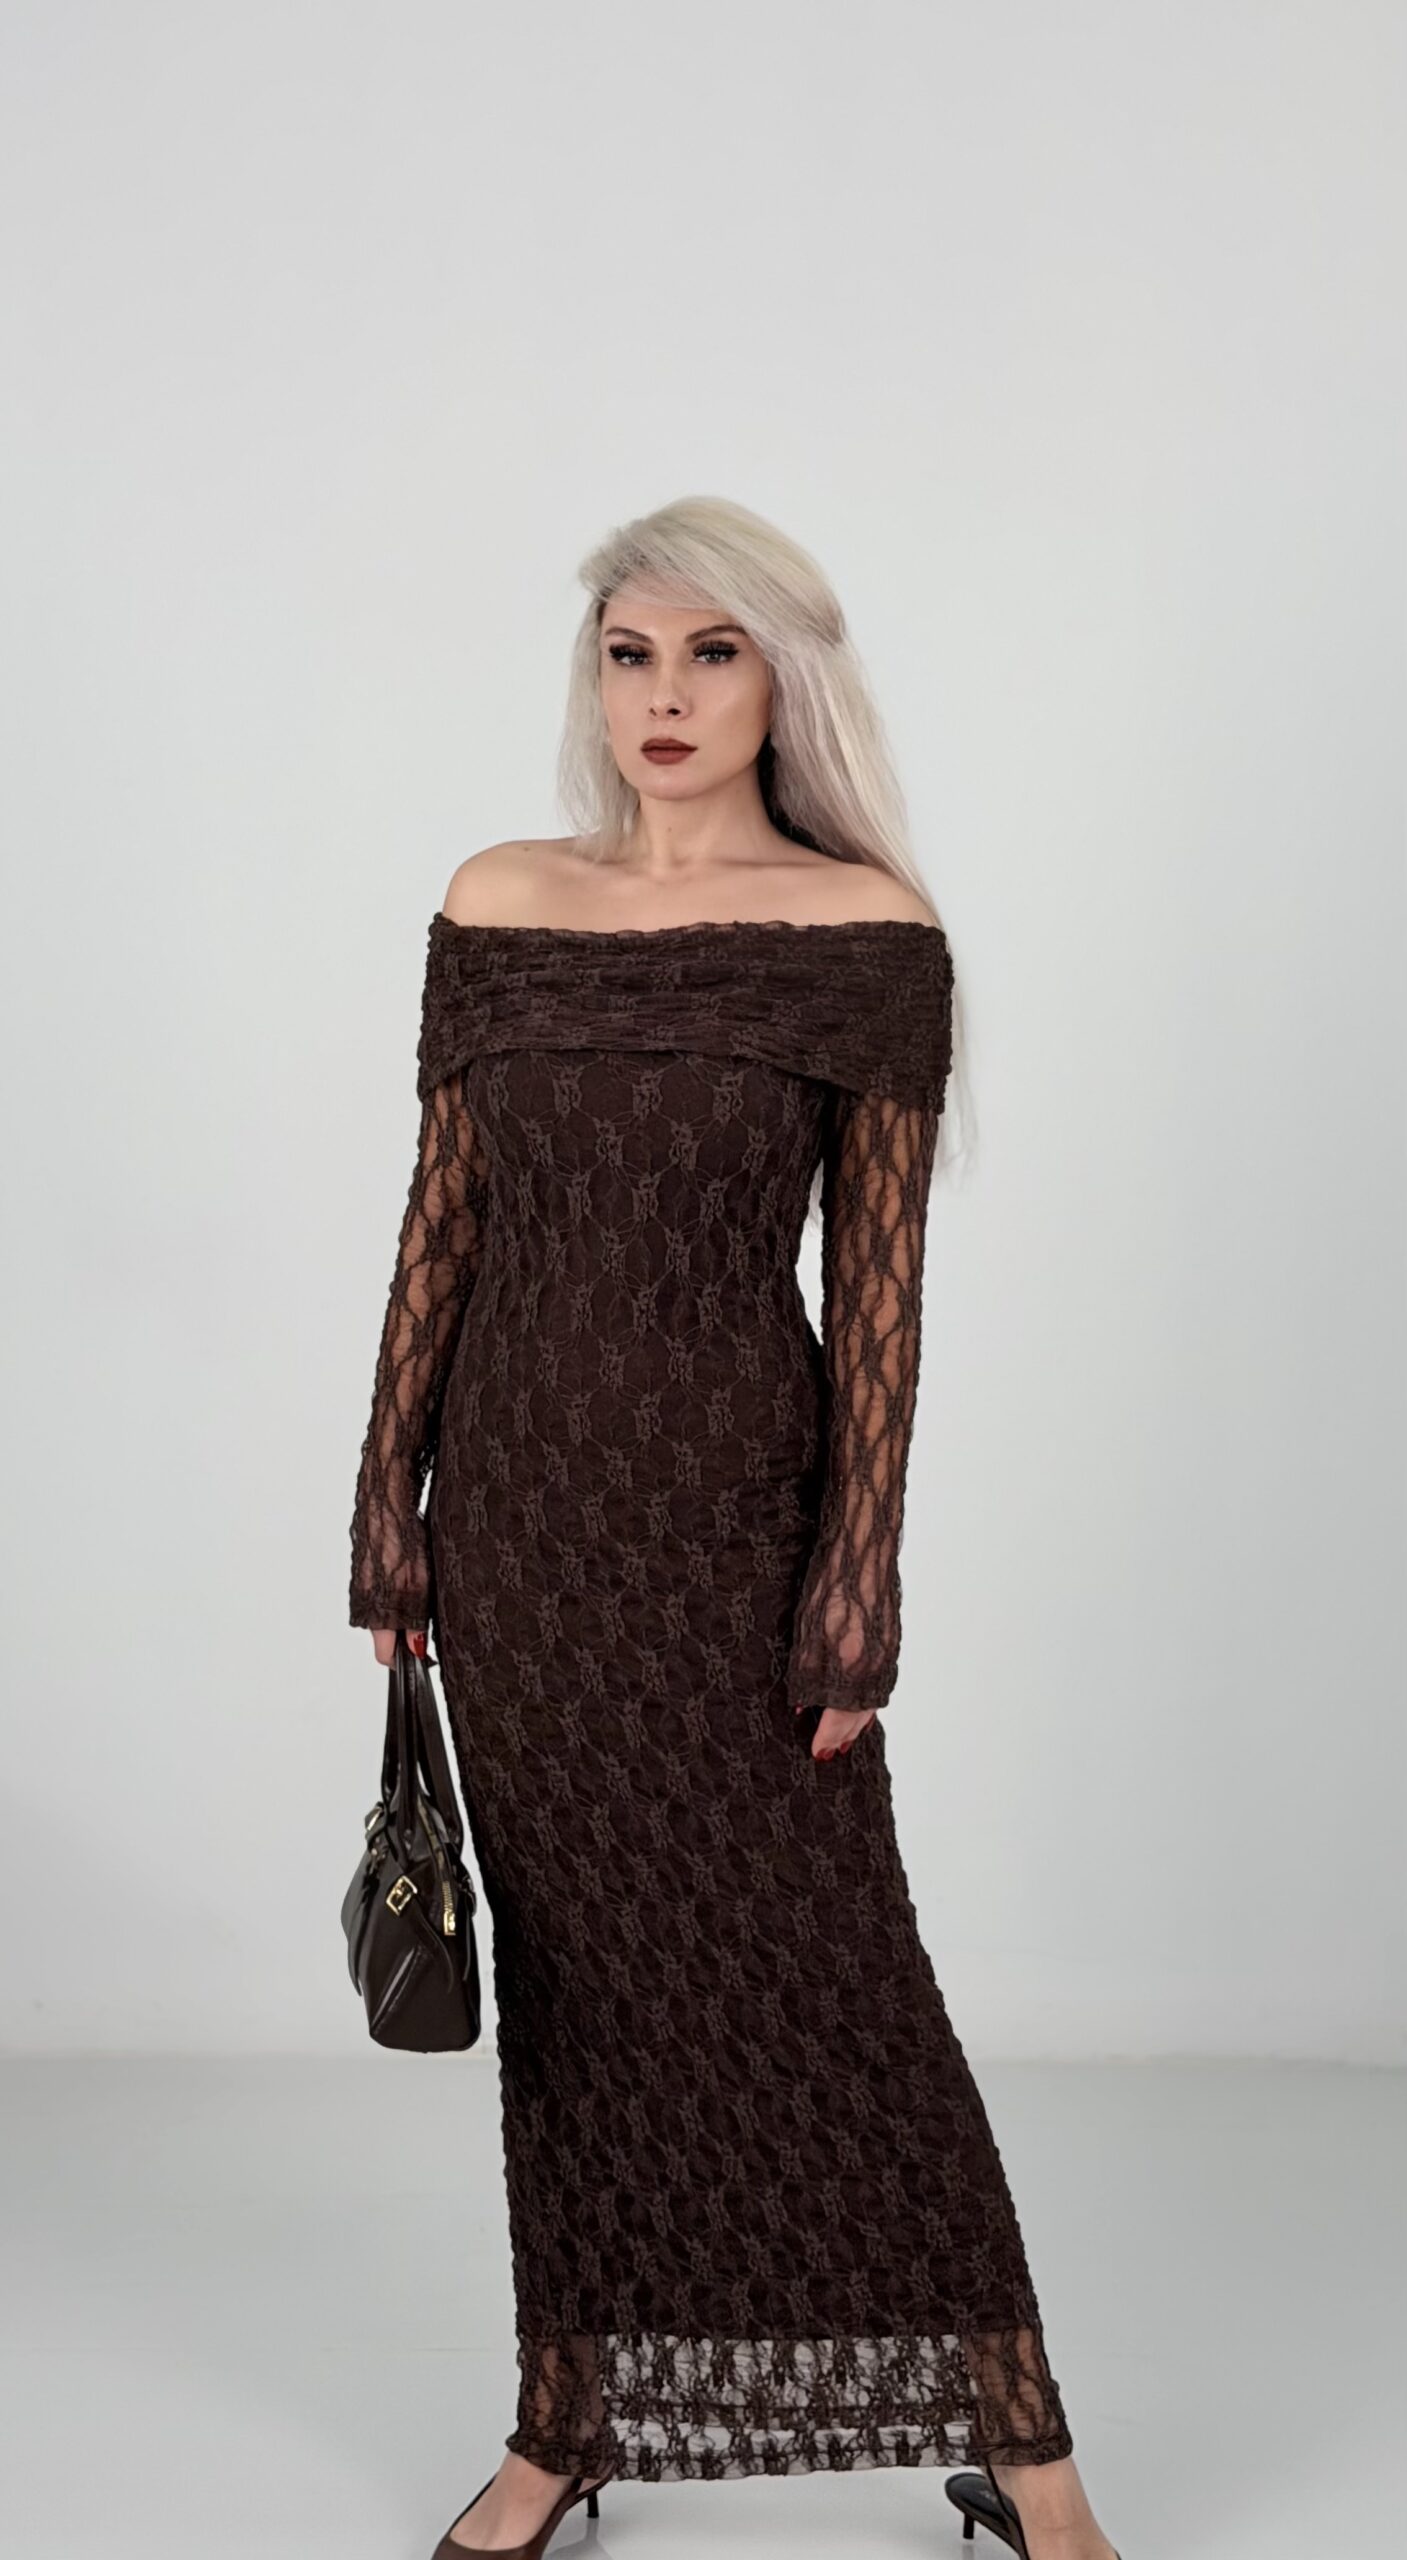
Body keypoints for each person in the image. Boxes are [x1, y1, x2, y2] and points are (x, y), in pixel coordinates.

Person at [348, 496, 1121, 2560]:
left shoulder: (866, 930)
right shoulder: (498, 898)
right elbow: (441, 1227)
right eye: (630, 654)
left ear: (783, 679)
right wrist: (382, 1501)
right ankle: (566, 2424)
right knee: (580, 1995)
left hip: (735, 1533)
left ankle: (1034, 2468)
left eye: (712, 653)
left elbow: (881, 1301)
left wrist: (857, 1583)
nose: (665, 696)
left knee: (841, 1986)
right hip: (515, 1529)